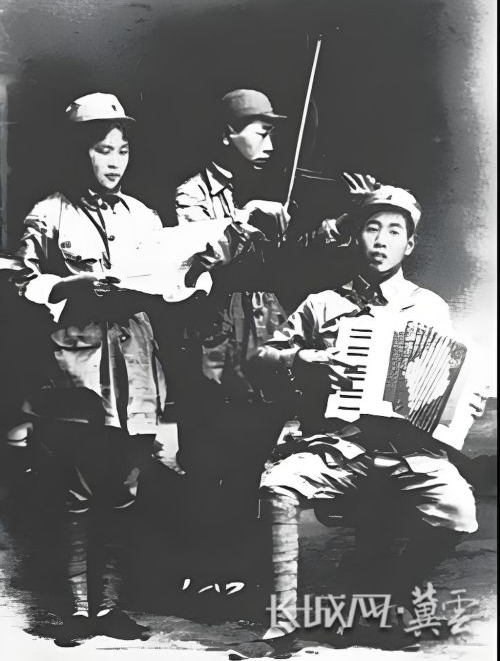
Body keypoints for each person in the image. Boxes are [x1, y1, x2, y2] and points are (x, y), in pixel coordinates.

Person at [249, 184, 486, 649]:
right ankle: (284, 623)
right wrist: (307, 359)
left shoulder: (429, 307)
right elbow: (260, 358)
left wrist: (465, 404)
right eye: (371, 228)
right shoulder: (322, 303)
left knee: (460, 513)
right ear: (355, 236)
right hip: (341, 446)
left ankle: (386, 594)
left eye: (394, 231)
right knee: (278, 487)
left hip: (408, 450)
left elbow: (446, 377)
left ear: (409, 245)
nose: (380, 240)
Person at [173, 89, 352, 606]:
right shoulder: (191, 192)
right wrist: (248, 217)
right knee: (206, 457)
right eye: (261, 132)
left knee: (252, 455)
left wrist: (343, 223)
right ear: (226, 134)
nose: (271, 144)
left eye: (273, 133)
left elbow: (298, 254)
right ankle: (201, 569)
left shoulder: (269, 188)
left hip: (264, 329)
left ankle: (240, 568)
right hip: (214, 333)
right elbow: (197, 257)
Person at [14, 92, 167, 645]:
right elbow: (20, 283)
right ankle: (79, 610)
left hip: (135, 365)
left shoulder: (144, 217)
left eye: (122, 150)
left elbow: (166, 282)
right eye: (103, 149)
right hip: (76, 368)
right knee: (75, 491)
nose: (115, 161)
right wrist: (70, 287)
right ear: (78, 151)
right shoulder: (47, 214)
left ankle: (113, 607)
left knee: (125, 488)